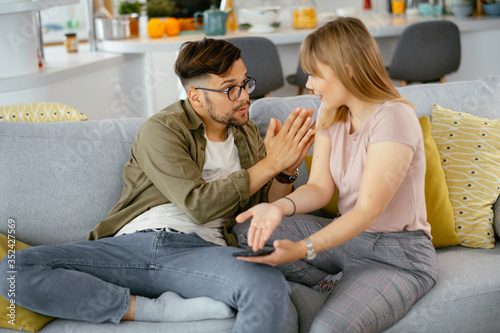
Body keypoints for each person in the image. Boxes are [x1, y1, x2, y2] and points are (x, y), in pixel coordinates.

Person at [0, 38, 315, 333]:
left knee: (267, 285)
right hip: (131, 247)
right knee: (14, 269)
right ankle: (150, 309)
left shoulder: (246, 135)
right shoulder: (162, 130)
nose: (245, 95)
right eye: (230, 89)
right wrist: (270, 164)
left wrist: (284, 172)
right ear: (196, 96)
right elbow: (199, 204)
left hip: (200, 253)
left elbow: (258, 209)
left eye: (245, 82)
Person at [233, 17, 439, 333]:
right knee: (251, 229)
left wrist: (304, 249)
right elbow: (318, 189)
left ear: (348, 69)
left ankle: (344, 284)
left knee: (327, 330)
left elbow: (369, 210)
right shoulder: (331, 114)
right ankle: (329, 282)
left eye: (315, 74)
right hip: (347, 240)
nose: (310, 84)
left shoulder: (394, 116)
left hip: (398, 255)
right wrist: (276, 208)